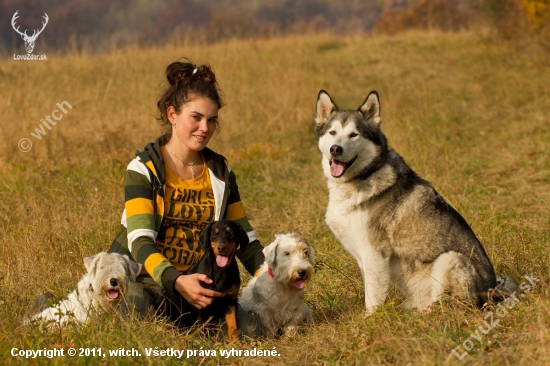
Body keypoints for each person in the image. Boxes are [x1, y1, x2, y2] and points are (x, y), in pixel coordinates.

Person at [108, 59, 264, 338]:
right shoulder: (143, 169)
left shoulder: (221, 172)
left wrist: (275, 279)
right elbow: (140, 241)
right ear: (172, 115)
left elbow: (245, 240)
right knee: (136, 312)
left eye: (212, 119)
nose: (205, 127)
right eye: (196, 117)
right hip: (151, 283)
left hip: (206, 287)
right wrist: (177, 281)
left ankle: (188, 327)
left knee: (253, 331)